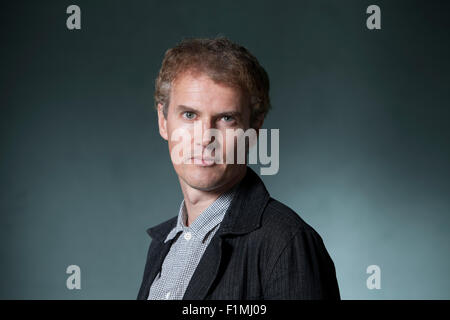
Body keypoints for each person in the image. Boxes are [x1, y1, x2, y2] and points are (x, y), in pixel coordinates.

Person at [137, 37, 340, 300]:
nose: (205, 137)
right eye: (189, 115)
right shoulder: (163, 244)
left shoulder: (286, 242)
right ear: (163, 121)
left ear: (254, 129)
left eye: (226, 118)